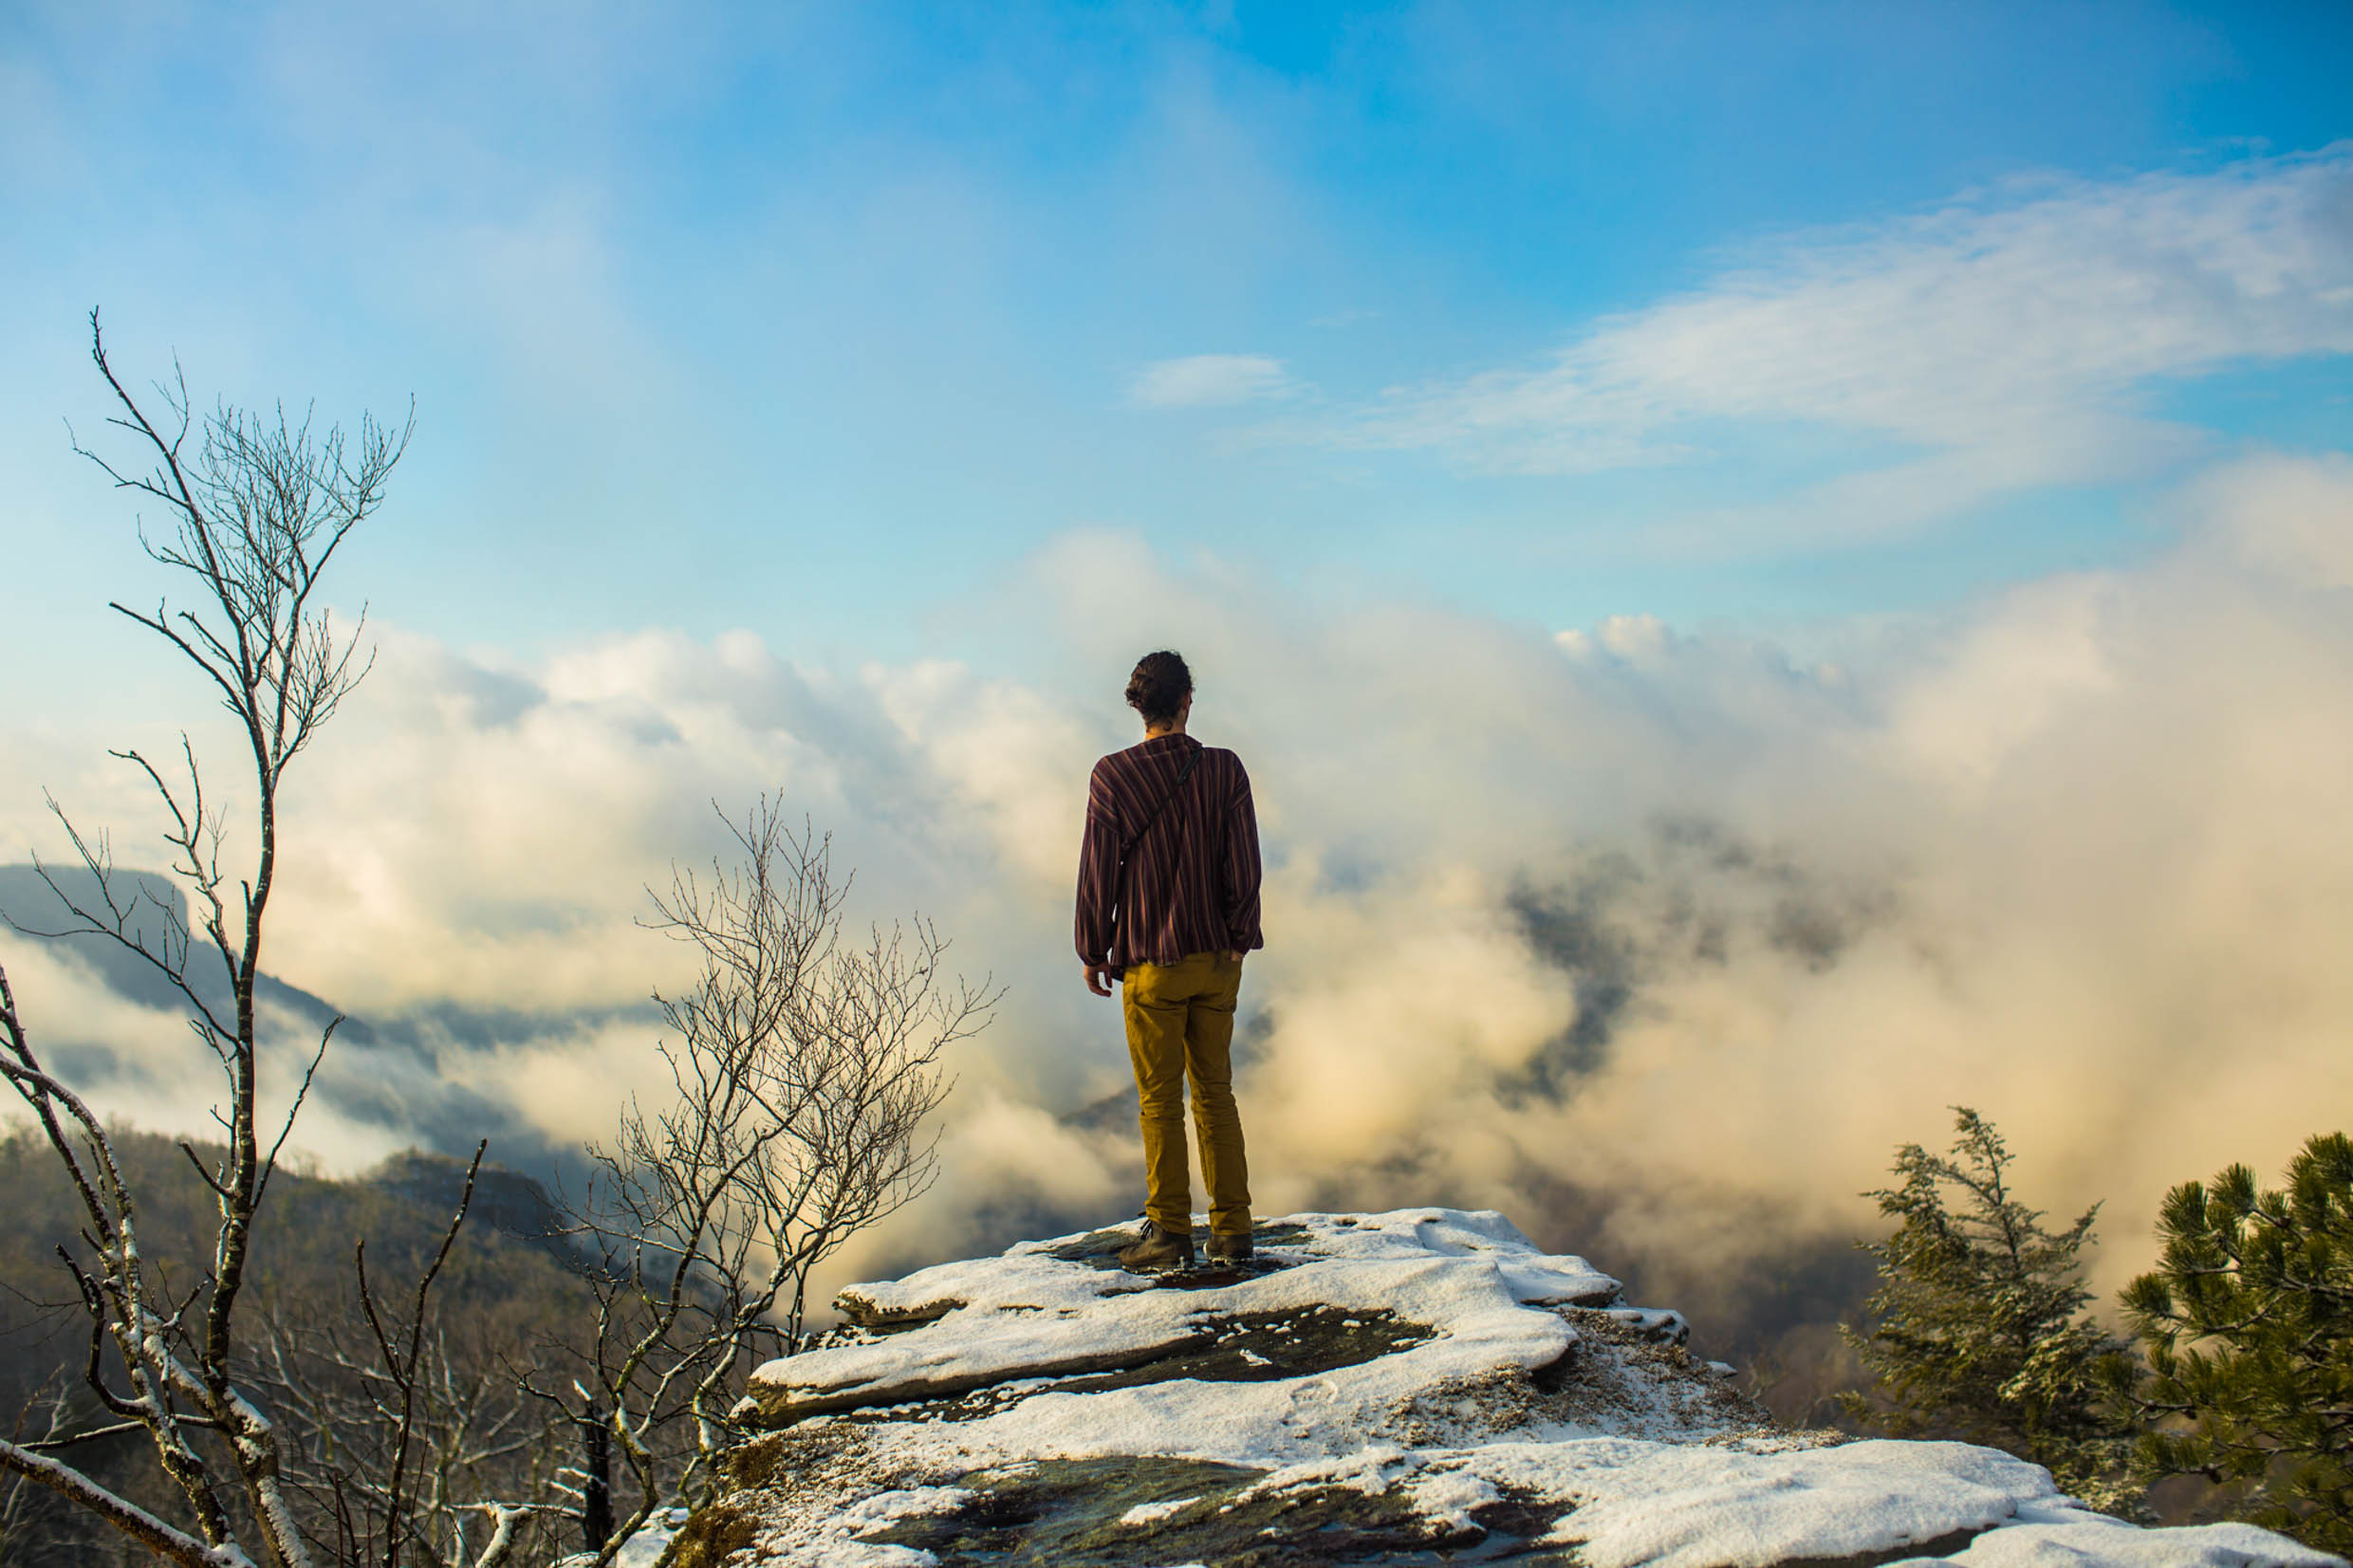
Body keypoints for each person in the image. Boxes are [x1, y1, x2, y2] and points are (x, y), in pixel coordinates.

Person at [1074, 650, 1264, 1272]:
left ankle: (1170, 1234)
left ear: (1138, 707)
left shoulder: (1113, 776)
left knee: (1160, 1099)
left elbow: (1098, 871)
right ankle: (1233, 1231)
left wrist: (1092, 947)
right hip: (1216, 959)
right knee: (1216, 1094)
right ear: (1187, 702)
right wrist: (1239, 935)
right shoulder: (1225, 770)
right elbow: (1245, 865)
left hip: (1153, 962)